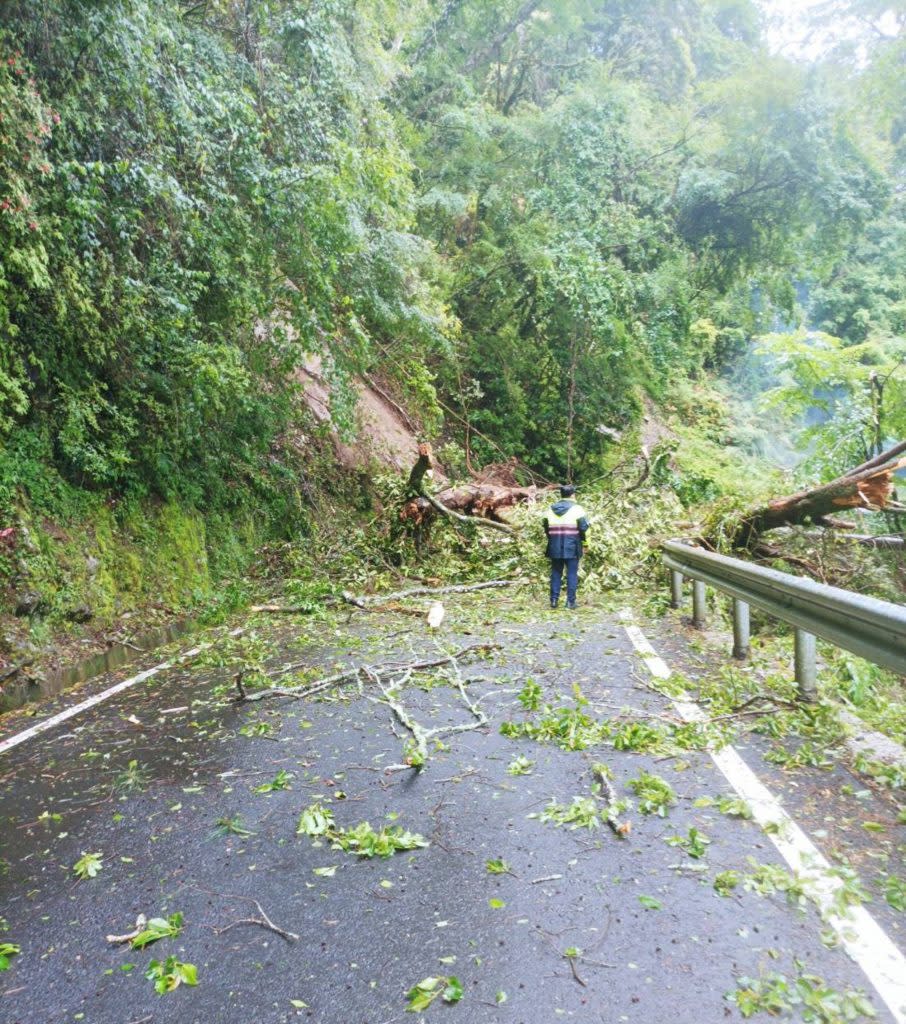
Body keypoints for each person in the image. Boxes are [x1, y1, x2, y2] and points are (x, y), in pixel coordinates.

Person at [542, 484, 589, 609]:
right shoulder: (578, 509)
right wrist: (585, 544)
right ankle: (570, 602)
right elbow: (583, 528)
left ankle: (553, 601)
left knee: (556, 573)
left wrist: (553, 541)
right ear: (572, 495)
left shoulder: (550, 509)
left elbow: (546, 529)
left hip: (554, 546)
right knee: (572, 573)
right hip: (572, 546)